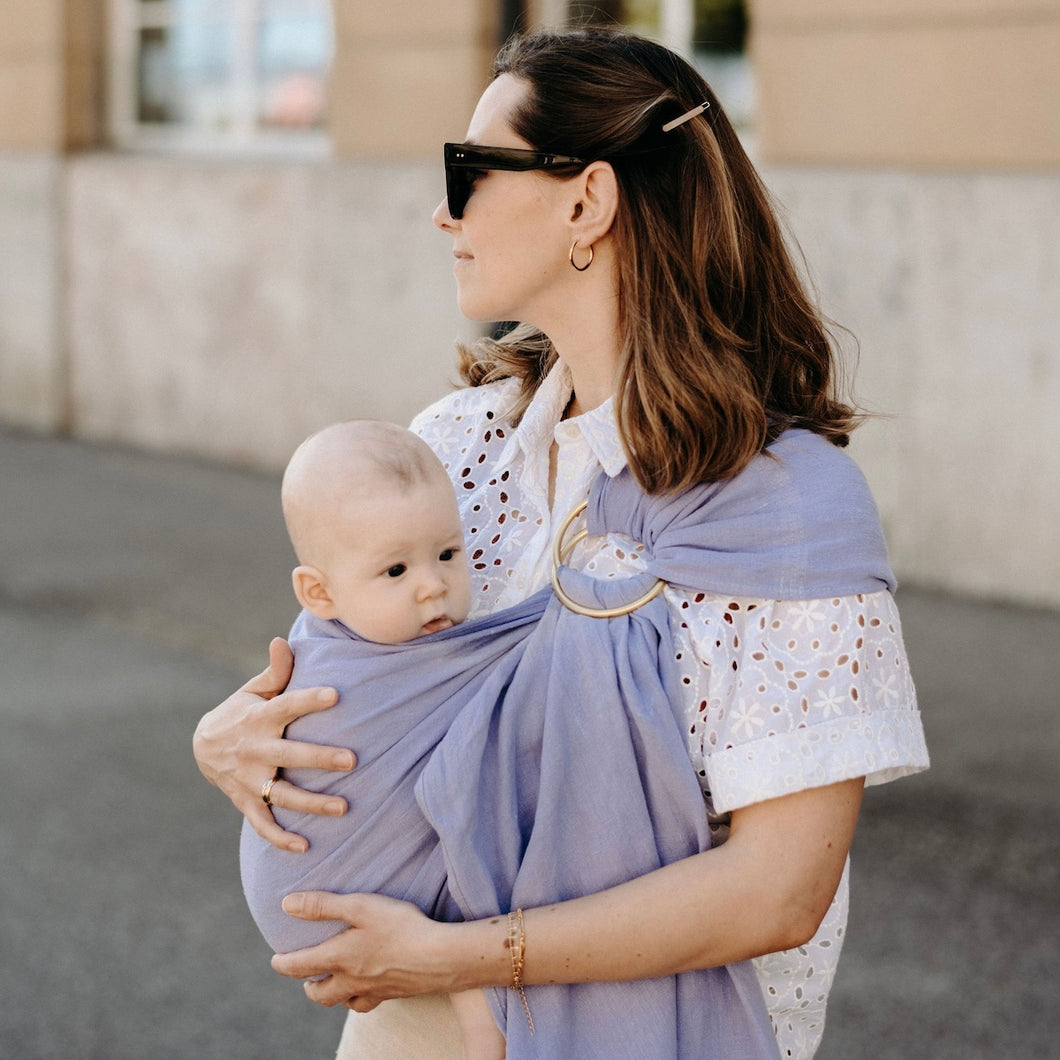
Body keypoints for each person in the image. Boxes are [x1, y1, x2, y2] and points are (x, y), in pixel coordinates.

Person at [194, 26, 929, 1059]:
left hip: (648, 1027)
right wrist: (231, 737)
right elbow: (356, 676)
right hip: (407, 1018)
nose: (442, 211)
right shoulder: (460, 446)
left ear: (586, 201)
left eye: (471, 172)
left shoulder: (784, 506)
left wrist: (465, 960)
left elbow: (779, 893)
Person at [241, 418, 505, 1059]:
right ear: (319, 592)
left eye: (447, 554)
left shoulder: (375, 633)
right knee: (486, 846)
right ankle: (485, 1030)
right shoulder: (327, 663)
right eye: (394, 569)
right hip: (336, 892)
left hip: (323, 906)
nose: (432, 584)